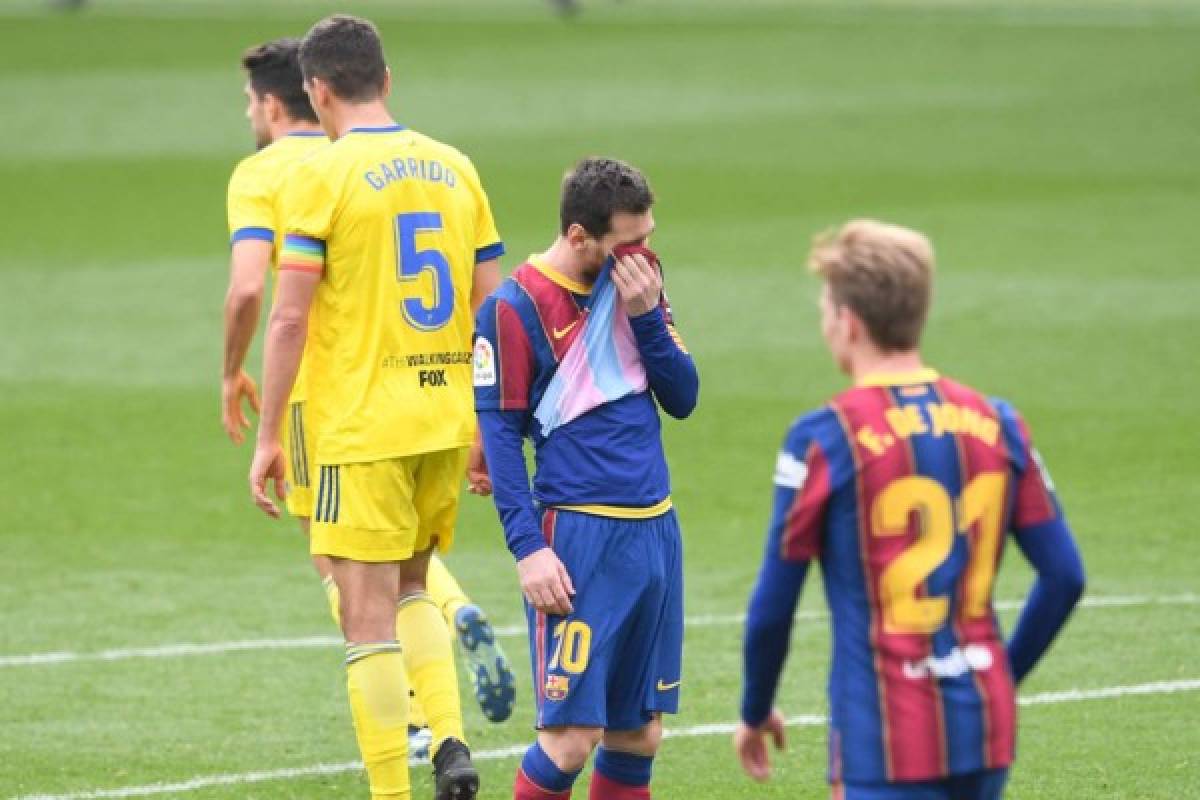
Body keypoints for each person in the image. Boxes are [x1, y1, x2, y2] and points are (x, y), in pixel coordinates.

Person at [223, 37, 515, 762]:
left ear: (313, 90)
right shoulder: (455, 165)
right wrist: (492, 422)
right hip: (445, 412)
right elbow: (496, 312)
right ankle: (449, 733)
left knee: (361, 606)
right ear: (386, 77)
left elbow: (276, 307)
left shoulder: (308, 175)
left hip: (350, 415)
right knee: (411, 583)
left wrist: (260, 427)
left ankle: (402, 763)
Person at [734, 220, 1086, 799]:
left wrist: (753, 710)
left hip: (883, 737)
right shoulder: (999, 422)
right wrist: (999, 674)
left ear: (848, 323)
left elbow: (774, 606)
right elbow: (1065, 576)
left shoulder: (827, 438)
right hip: (984, 729)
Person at [473, 157, 699, 800]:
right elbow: (500, 440)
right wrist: (528, 549)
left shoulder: (638, 286)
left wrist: (649, 316)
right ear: (579, 237)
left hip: (654, 530)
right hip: (576, 537)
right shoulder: (513, 309)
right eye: (630, 241)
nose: (644, 253)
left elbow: (682, 397)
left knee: (638, 734)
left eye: (649, 236)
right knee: (572, 737)